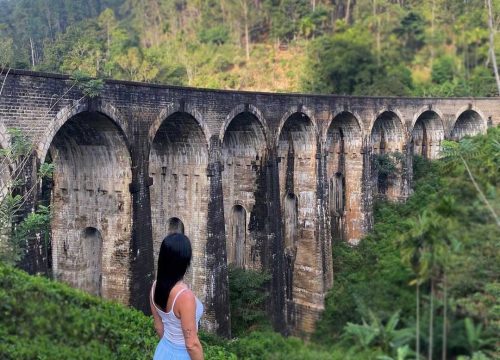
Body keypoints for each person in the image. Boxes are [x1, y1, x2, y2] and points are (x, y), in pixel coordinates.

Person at [150, 233, 204, 360]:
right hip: (183, 355)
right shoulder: (185, 297)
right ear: (185, 261)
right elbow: (192, 344)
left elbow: (158, 327)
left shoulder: (154, 287)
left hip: (163, 351)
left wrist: (170, 349)